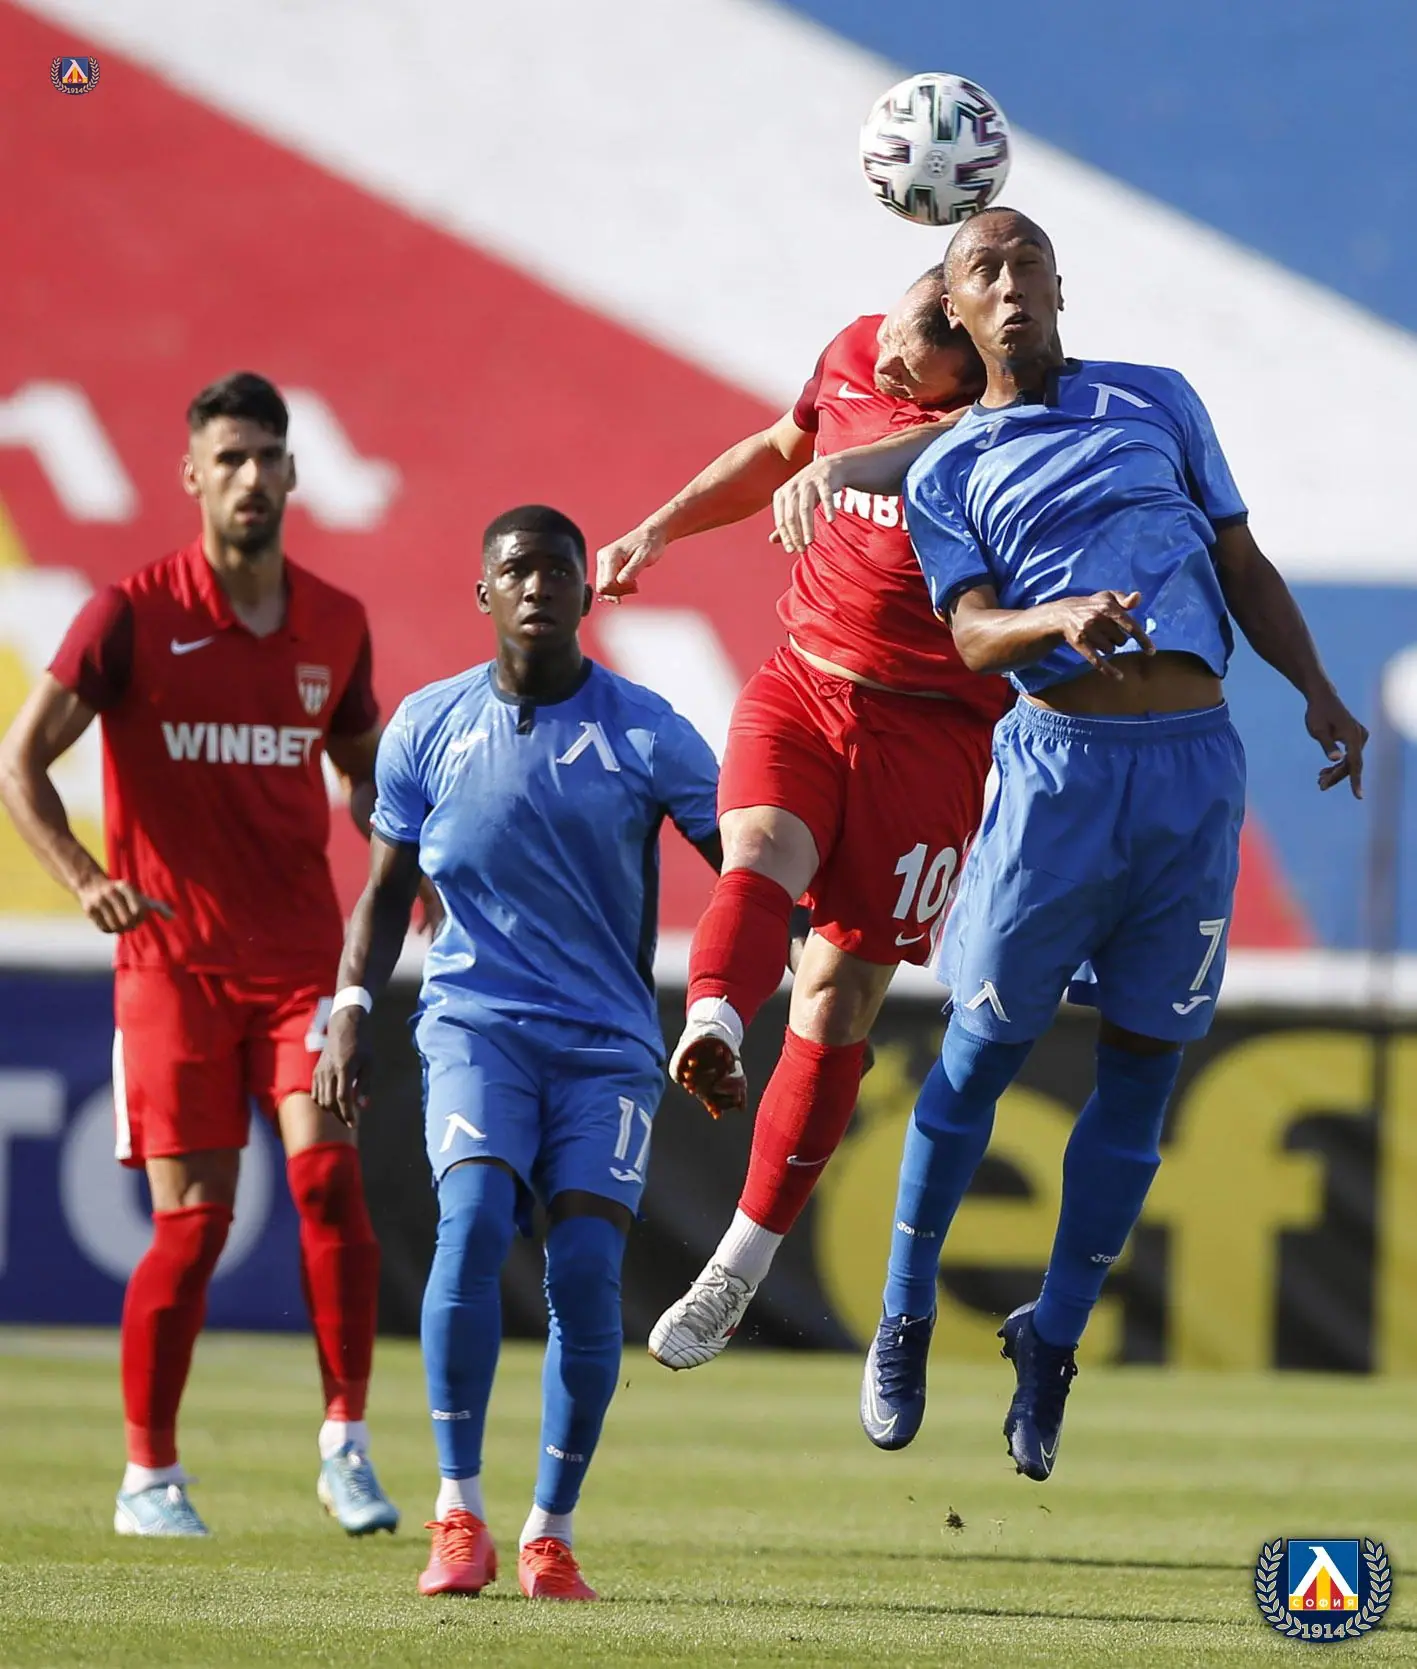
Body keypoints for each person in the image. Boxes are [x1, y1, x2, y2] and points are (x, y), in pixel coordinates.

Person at [858, 207, 1367, 1479]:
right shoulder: (949, 469)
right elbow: (972, 636)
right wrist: (1059, 617)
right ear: (957, 311)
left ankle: (1053, 1337)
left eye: (1026, 262)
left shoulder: (1158, 398)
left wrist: (1316, 688)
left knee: (1144, 1074)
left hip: (1193, 773)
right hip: (1059, 777)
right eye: (983, 269)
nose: (1010, 283)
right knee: (981, 1054)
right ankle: (905, 1311)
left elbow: (1239, 561)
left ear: (1058, 285)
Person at [0, 373, 398, 1537]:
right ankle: (149, 1475)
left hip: (301, 961)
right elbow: (21, 762)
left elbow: (363, 772)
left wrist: (403, 864)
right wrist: (86, 879)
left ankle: (346, 1445)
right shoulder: (129, 614)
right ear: (191, 476)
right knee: (194, 1225)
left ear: (294, 472)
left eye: (267, 456)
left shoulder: (337, 622)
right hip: (170, 964)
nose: (251, 477)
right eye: (229, 458)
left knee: (329, 1182)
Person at [596, 270, 1012, 1370]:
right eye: (898, 324)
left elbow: (942, 445)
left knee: (836, 992)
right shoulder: (857, 348)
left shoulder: (1004, 423)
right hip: (806, 681)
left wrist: (851, 465)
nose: (890, 355)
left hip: (932, 735)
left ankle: (736, 1265)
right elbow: (781, 448)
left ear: (971, 359)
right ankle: (713, 1021)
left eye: (919, 348)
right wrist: (659, 528)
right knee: (757, 848)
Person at [314, 505, 721, 1601]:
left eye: (557, 570)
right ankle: (458, 1513)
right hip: (475, 1027)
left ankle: (550, 1529)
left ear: (588, 591)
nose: (538, 585)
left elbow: (745, 866)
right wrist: (349, 1005)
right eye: (517, 570)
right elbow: (385, 892)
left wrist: (758, 991)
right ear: (483, 592)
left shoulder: (649, 731)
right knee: (473, 1227)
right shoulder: (426, 726)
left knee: (585, 1271)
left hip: (604, 1048)